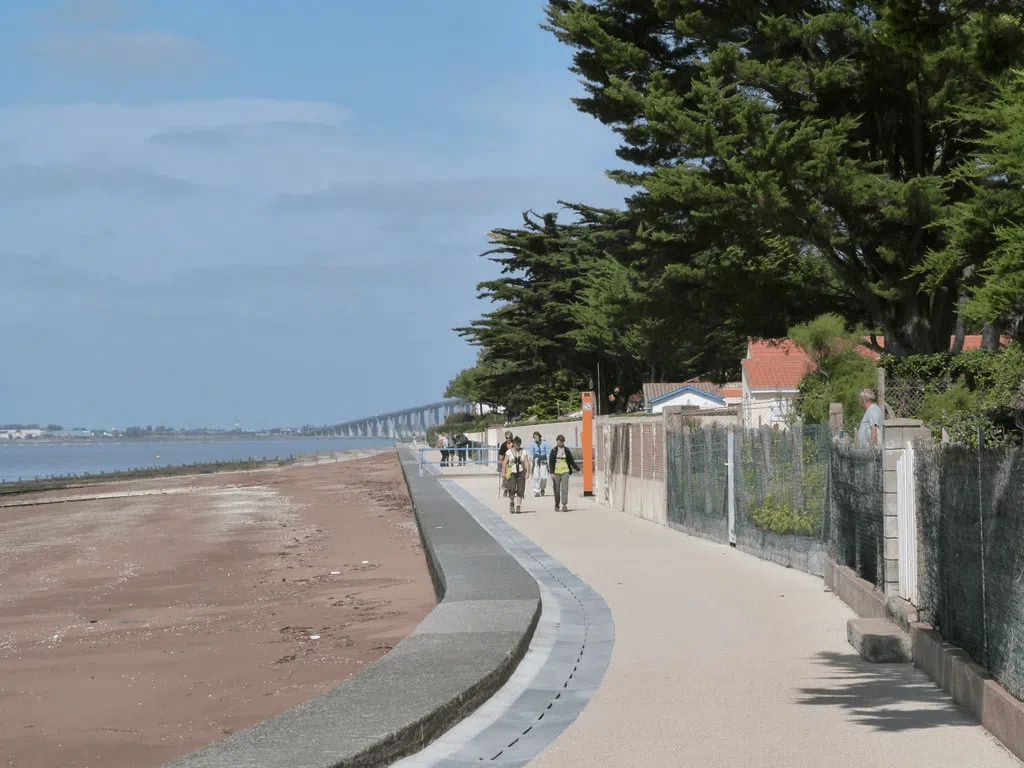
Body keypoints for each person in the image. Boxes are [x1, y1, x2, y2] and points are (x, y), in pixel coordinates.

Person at [548, 434, 580, 512]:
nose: (560, 444)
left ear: (563, 442)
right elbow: (551, 462)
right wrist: (551, 472)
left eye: (561, 442)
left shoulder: (566, 450)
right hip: (556, 472)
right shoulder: (554, 450)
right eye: (558, 442)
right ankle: (557, 504)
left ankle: (564, 505)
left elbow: (571, 461)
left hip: (565, 471)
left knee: (564, 489)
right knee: (556, 490)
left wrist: (578, 469)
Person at [501, 436, 531, 513]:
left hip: (521, 472)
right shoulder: (509, 452)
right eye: (516, 444)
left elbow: (527, 462)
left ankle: (518, 505)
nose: (517, 445)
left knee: (521, 489)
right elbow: (505, 462)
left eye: (518, 444)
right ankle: (511, 503)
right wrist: (503, 472)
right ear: (513, 444)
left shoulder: (523, 452)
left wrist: (528, 472)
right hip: (512, 472)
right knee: (512, 489)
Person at [529, 431, 551, 497]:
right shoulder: (532, 444)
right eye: (534, 437)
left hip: (543, 460)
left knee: (543, 477)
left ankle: (542, 488)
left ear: (539, 436)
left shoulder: (545, 443)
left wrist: (548, 461)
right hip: (536, 460)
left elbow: (548, 453)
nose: (535, 438)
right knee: (536, 476)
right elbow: (531, 454)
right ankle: (537, 491)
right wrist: (531, 463)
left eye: (536, 436)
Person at [497, 431, 514, 496]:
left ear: (511, 437)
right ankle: (505, 490)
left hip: (513, 462)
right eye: (507, 438)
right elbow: (501, 454)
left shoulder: (514, 444)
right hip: (506, 463)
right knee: (506, 477)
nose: (508, 439)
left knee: (512, 477)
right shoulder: (504, 445)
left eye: (509, 437)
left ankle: (511, 490)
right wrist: (500, 460)